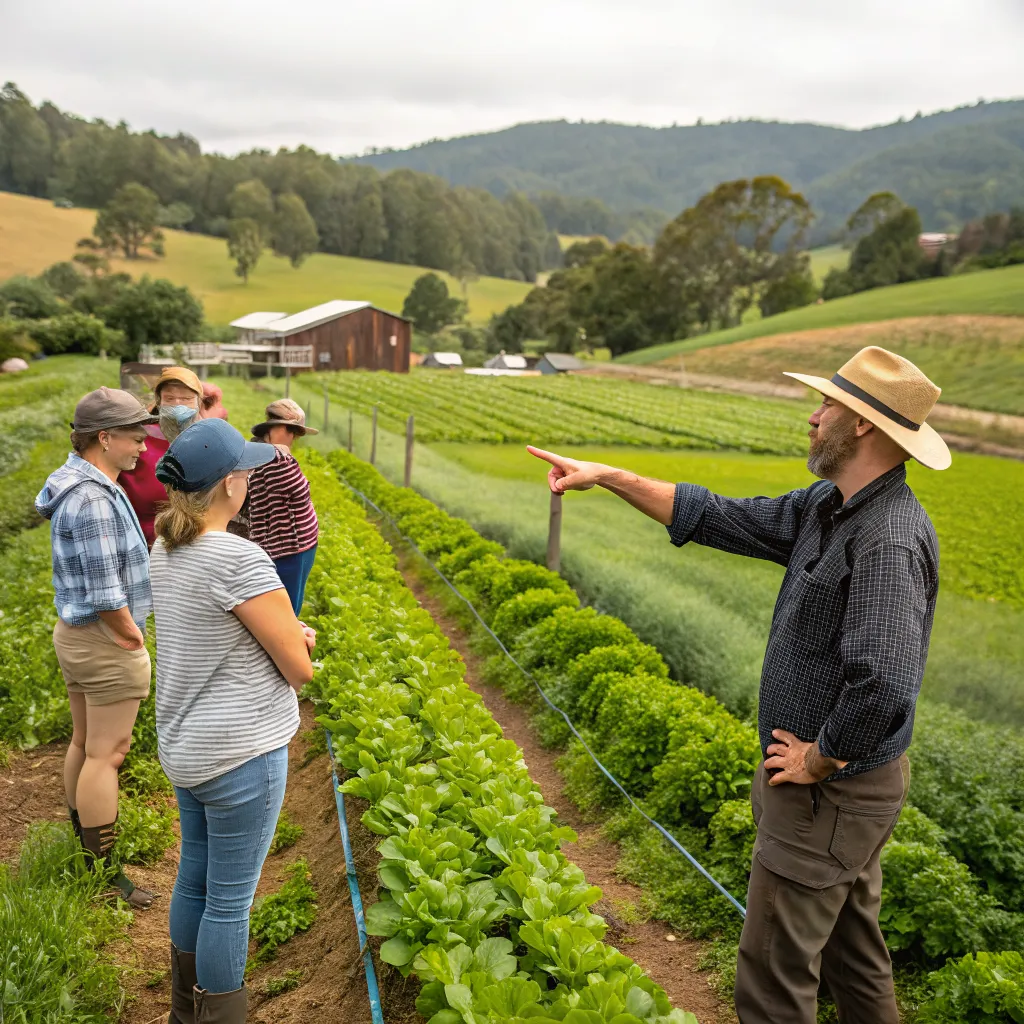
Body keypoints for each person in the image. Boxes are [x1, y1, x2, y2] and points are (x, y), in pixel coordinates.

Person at [527, 346, 949, 1024]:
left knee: (772, 983)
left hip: (830, 796)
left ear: (864, 426)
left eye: (827, 406)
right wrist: (608, 477)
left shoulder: (887, 539)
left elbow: (887, 683)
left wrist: (820, 757)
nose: (812, 418)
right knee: (853, 961)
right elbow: (719, 515)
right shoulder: (829, 506)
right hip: (839, 799)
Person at [150, 418, 316, 1023]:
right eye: (244, 469)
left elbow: (212, 632)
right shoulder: (240, 557)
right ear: (227, 486)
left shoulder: (165, 545)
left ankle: (182, 1013)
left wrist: (280, 632)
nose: (250, 476)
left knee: (193, 879)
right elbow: (298, 671)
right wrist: (300, 640)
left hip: (187, 748)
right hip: (242, 752)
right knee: (228, 903)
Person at [35, 386, 160, 909]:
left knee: (86, 745)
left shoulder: (79, 484)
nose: (142, 446)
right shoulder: (91, 499)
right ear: (104, 438)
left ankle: (86, 850)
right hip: (104, 638)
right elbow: (108, 593)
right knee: (108, 755)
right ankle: (105, 873)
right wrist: (132, 637)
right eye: (134, 435)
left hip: (78, 635)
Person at [247, 399, 319, 614]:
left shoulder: (262, 453)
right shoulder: (277, 459)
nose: (294, 438)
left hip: (288, 545)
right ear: (281, 429)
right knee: (286, 610)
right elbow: (298, 491)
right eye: (292, 431)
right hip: (288, 547)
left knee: (283, 607)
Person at [120, 366, 206, 548]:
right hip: (143, 542)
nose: (177, 405)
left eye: (186, 399)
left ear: (199, 402)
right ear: (159, 402)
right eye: (169, 398)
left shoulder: (209, 439)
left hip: (197, 542)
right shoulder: (141, 440)